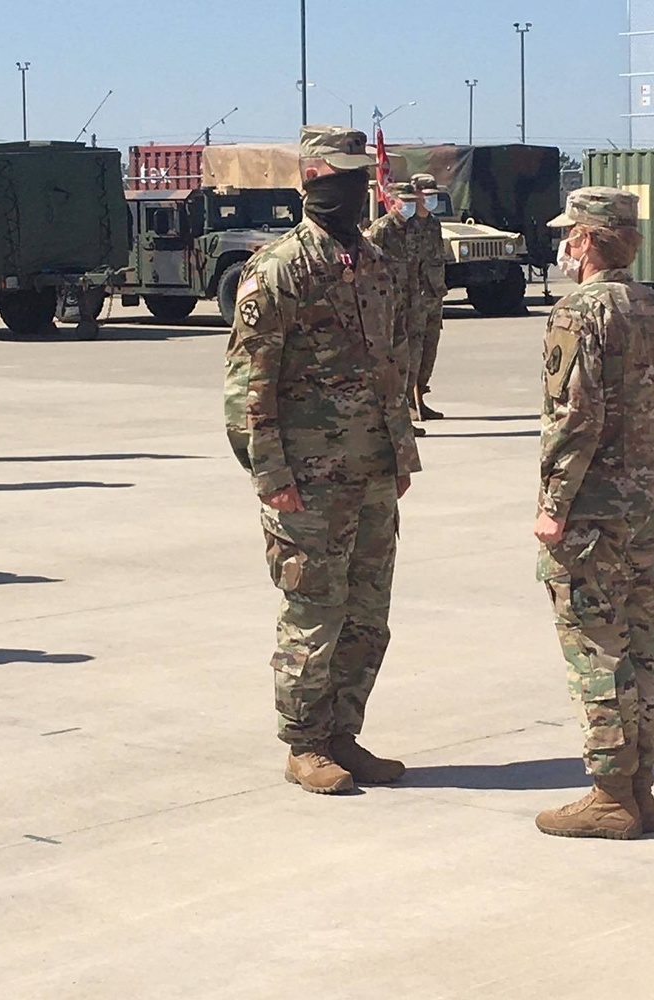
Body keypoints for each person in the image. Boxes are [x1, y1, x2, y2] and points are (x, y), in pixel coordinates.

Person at [224, 125, 422, 795]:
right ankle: (304, 743)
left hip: (370, 474)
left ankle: (344, 733)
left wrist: (400, 454)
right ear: (310, 181)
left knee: (368, 614)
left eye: (358, 178)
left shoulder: (376, 264)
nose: (353, 189)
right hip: (306, 479)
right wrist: (270, 473)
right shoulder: (280, 268)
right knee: (313, 610)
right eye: (338, 178)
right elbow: (249, 382)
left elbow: (392, 365)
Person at [533, 187, 654, 839]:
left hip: (593, 515)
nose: (564, 247)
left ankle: (609, 792)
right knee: (641, 642)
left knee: (595, 646)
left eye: (568, 235)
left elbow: (573, 418)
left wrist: (553, 506)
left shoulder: (578, 313)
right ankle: (640, 786)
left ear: (586, 241)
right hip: (650, 510)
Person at [365, 181, 425, 437]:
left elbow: (415, 265)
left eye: (413, 201)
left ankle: (404, 417)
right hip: (386, 304)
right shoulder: (381, 230)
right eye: (406, 201)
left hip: (409, 303)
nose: (411, 206)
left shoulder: (412, 227)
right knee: (387, 363)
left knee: (408, 360)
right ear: (392, 202)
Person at [408, 173, 448, 420]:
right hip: (413, 297)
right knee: (412, 352)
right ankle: (409, 403)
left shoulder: (434, 224)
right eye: (427, 195)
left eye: (434, 195)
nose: (431, 199)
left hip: (434, 294)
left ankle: (421, 396)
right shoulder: (406, 224)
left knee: (429, 351)